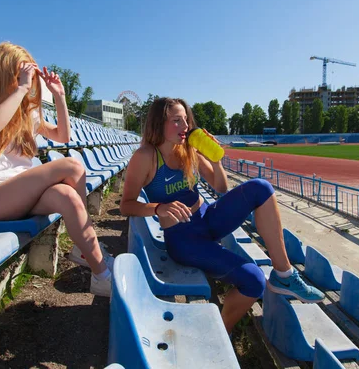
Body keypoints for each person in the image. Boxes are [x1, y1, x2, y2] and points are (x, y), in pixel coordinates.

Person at [120, 97, 324, 333]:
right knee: (255, 281)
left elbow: (221, 187)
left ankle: (284, 274)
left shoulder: (188, 149)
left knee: (261, 188)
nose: (185, 126)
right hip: (184, 238)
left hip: (207, 219)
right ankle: (217, 335)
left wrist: (217, 161)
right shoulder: (145, 156)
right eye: (177, 120)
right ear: (158, 123)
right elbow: (126, 205)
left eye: (186, 120)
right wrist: (157, 208)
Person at [0, 42, 113, 297]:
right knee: (72, 165)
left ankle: (101, 275)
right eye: (20, 74)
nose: (27, 82)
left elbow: (62, 136)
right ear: (5, 73)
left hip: (21, 193)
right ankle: (86, 246)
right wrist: (22, 89)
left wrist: (59, 96)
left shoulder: (25, 109)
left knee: (68, 197)